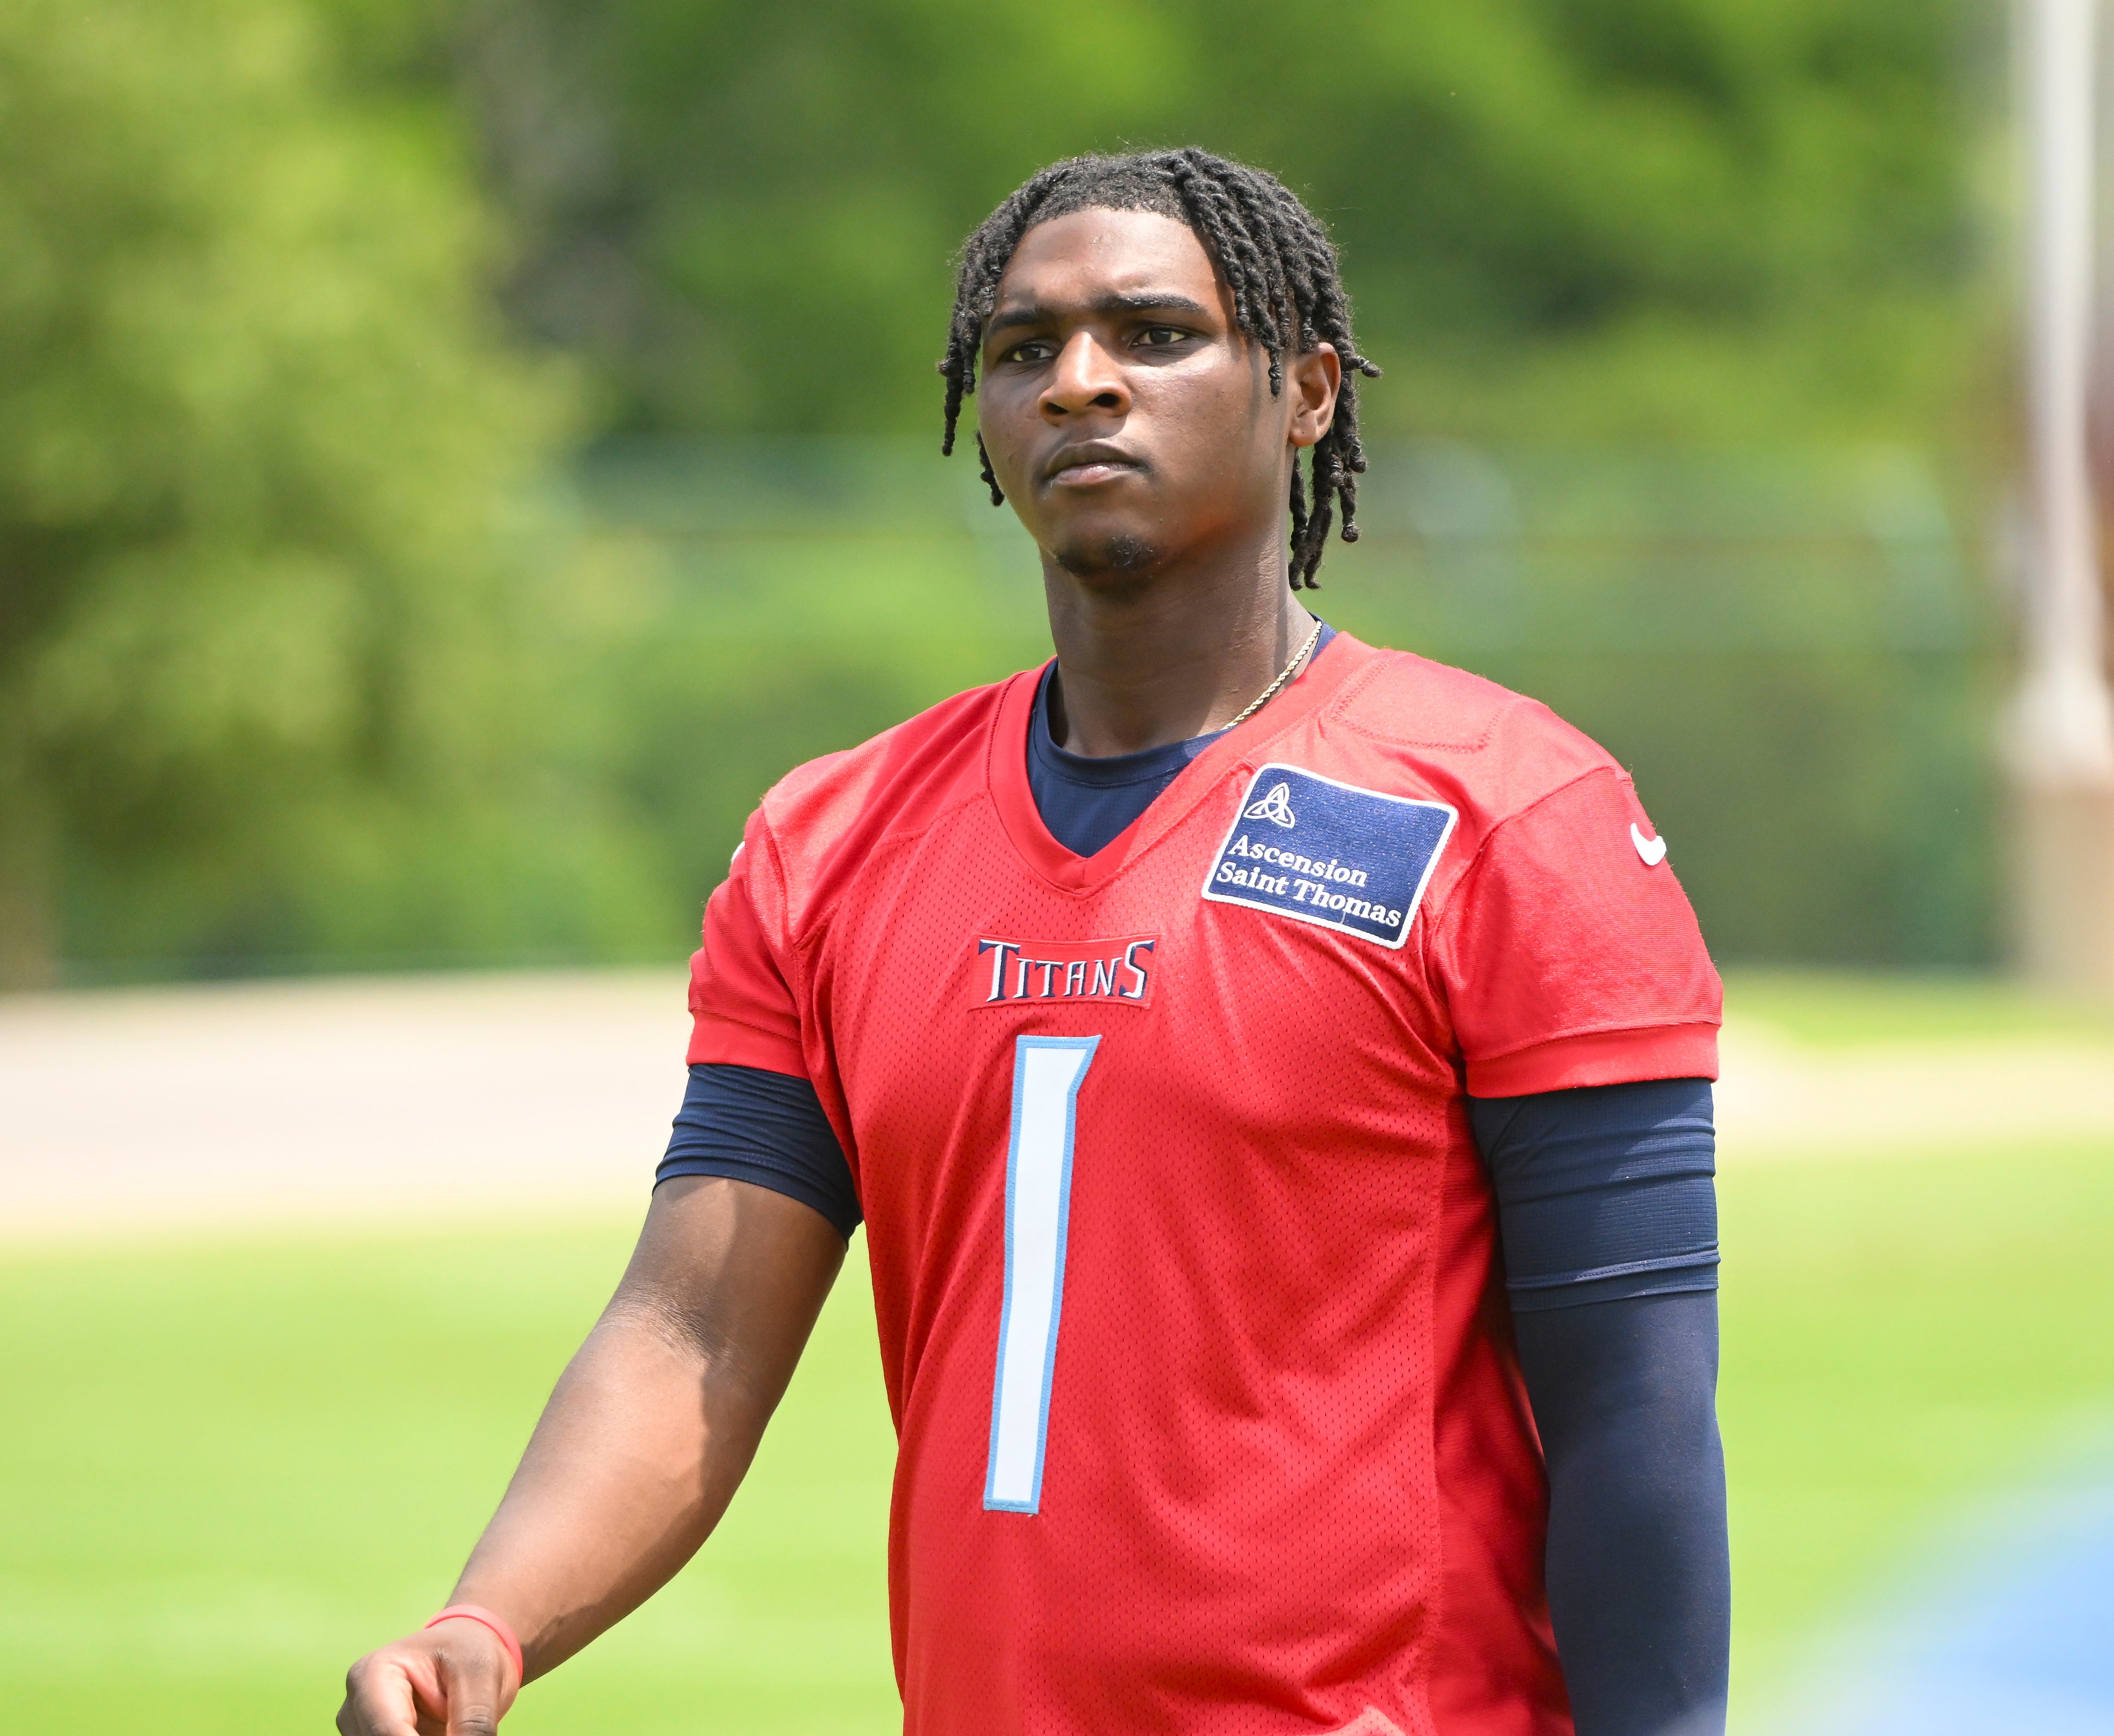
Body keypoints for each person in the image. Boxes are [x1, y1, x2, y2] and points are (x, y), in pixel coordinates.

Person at [339, 148, 1727, 1736]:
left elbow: (1634, 1406)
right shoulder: (836, 840)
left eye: (1153, 333)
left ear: (1310, 392)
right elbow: (695, 1326)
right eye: (1022, 349)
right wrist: (487, 1626)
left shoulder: (1509, 812)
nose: (1080, 383)